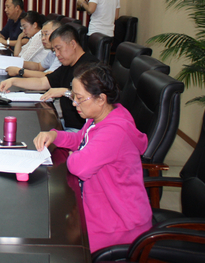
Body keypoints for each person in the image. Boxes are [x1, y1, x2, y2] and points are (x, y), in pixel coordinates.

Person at [33, 63, 152, 252]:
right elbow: (79, 139)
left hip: (121, 222)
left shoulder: (115, 131)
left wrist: (75, 154)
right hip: (100, 203)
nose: (74, 103)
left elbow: (79, 166)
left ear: (101, 99)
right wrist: (54, 135)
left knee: (61, 245)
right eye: (73, 96)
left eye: (80, 98)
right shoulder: (99, 117)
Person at [0, 24, 99, 130]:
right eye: (54, 50)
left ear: (73, 44)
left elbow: (93, 99)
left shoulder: (91, 67)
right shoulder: (68, 64)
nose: (57, 54)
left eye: (59, 49)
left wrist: (65, 92)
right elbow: (43, 82)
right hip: (66, 124)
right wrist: (14, 81)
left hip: (81, 130)